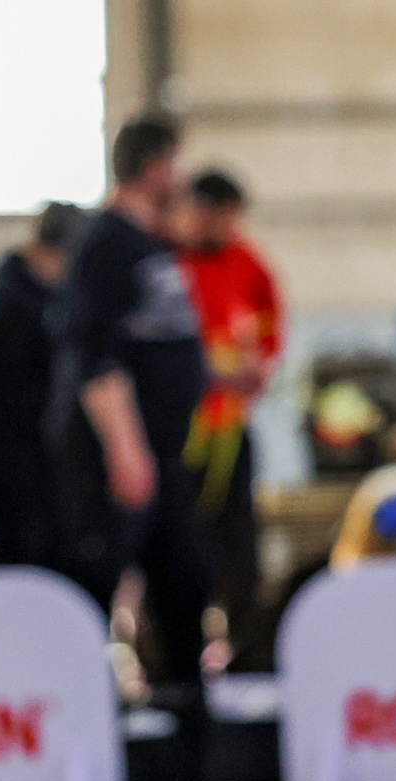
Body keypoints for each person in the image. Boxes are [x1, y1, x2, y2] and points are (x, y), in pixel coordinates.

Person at [48, 115, 211, 741]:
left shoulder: (151, 243)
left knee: (183, 582)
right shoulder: (106, 244)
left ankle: (188, 723)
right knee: (98, 583)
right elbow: (95, 357)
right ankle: (83, 722)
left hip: (163, 449)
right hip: (121, 452)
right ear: (155, 166)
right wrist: (126, 447)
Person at [174, 170, 282, 670]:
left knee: (240, 544)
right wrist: (210, 371)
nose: (230, 229)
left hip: (231, 428)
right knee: (179, 544)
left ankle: (245, 653)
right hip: (178, 432)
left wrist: (260, 368)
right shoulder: (168, 262)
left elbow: (271, 328)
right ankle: (174, 654)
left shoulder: (247, 262)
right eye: (223, 218)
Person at [0, 202, 85, 567]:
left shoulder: (25, 298)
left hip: (20, 463)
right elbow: (3, 402)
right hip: (11, 467)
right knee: (21, 558)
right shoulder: (15, 306)